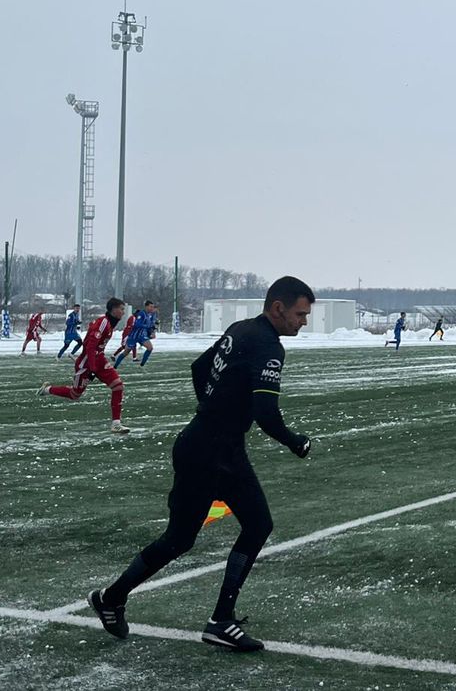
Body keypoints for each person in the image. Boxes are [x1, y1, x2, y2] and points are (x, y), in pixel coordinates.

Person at [88, 277, 314, 653]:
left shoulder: (240, 329)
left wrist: (212, 412)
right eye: (300, 314)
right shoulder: (268, 346)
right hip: (213, 452)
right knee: (227, 530)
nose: (303, 322)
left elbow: (199, 368)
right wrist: (295, 441)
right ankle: (213, 619)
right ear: (278, 308)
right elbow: (266, 413)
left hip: (205, 444)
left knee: (206, 534)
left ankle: (118, 600)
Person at [41, 298, 130, 433]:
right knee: (75, 394)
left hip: (99, 360)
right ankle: (47, 389)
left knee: (118, 386)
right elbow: (90, 346)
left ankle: (116, 424)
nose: (123, 312)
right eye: (121, 309)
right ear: (113, 310)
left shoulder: (110, 324)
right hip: (86, 363)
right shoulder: (103, 323)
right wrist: (92, 367)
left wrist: (97, 364)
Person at [115, 301, 158, 368]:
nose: (152, 308)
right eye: (151, 306)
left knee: (150, 348)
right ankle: (115, 366)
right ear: (146, 307)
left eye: (153, 307)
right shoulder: (142, 314)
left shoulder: (150, 315)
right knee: (126, 352)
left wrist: (152, 331)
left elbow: (151, 326)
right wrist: (146, 326)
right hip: (133, 336)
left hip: (142, 336)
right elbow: (137, 324)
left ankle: (142, 365)